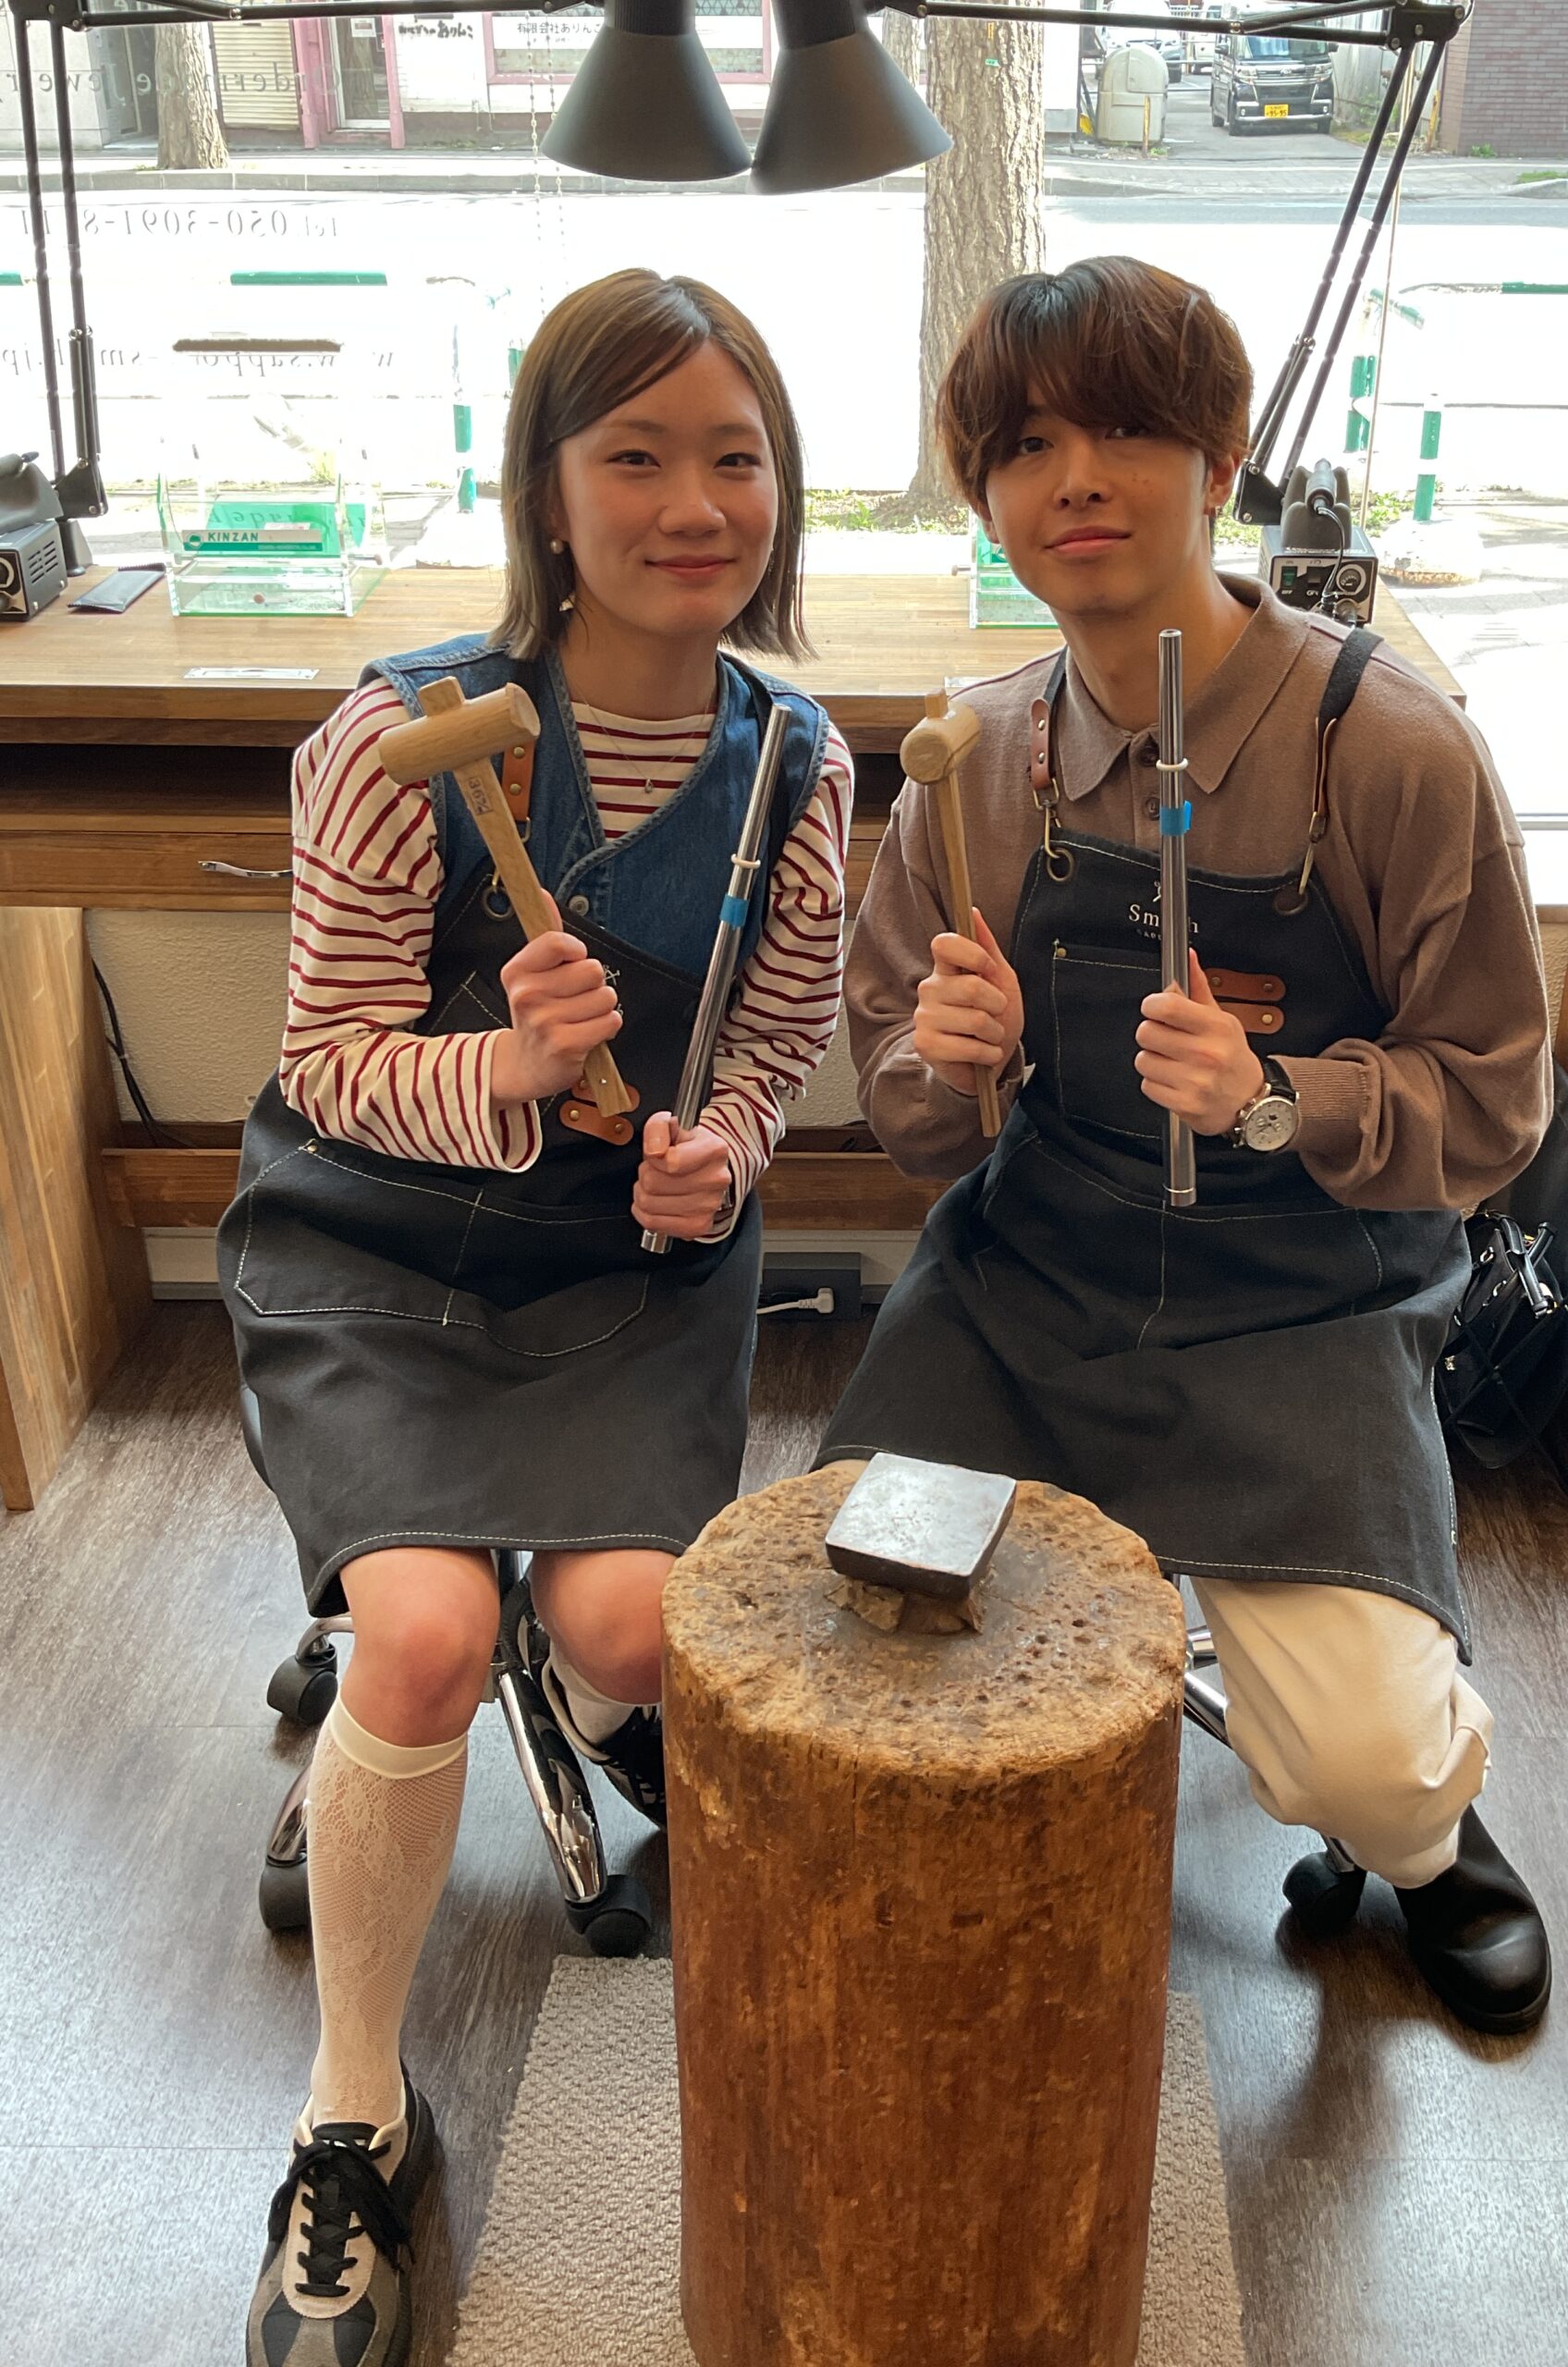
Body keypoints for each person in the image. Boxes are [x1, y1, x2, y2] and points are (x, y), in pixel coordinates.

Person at [224, 268, 852, 2367]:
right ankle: (353, 2120)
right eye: (636, 456)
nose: (696, 504)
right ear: (548, 491)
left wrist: (717, 1157)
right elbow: (326, 1064)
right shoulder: (395, 743)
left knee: (629, 1630)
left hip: (621, 1262)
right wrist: (507, 1065)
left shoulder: (797, 766)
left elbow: (772, 1049)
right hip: (378, 1238)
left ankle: (580, 1708)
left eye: (736, 456)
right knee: (414, 1634)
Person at [823, 255, 1553, 2036]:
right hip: (1033, 1280)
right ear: (985, 494)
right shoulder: (975, 763)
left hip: (1307, 1295)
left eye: (1129, 432)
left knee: (1365, 1767)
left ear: (1222, 460)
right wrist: (947, 1060)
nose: (1075, 480)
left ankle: (1430, 1837)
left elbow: (1496, 1102)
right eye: (1026, 446)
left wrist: (1282, 1096)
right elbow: (904, 1116)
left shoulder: (1390, 751)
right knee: (863, 1647)